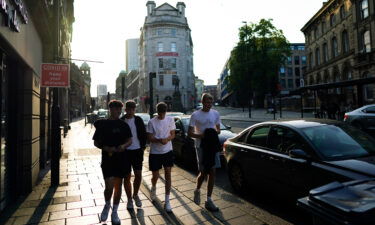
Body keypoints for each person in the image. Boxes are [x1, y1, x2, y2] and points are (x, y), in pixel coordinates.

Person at [93, 100, 132, 224]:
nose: (118, 112)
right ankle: (107, 204)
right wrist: (105, 148)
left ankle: (115, 212)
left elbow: (130, 140)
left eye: (120, 110)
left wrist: (123, 146)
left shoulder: (124, 125)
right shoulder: (103, 124)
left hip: (121, 159)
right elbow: (96, 142)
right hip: (107, 159)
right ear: (110, 109)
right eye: (116, 109)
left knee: (118, 186)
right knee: (109, 187)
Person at [188, 93, 221, 211]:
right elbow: (190, 133)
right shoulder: (195, 115)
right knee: (203, 172)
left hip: (212, 146)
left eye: (211, 102)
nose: (209, 105)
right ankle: (197, 190)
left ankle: (209, 199)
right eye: (207, 102)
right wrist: (202, 135)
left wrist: (213, 133)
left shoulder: (216, 113)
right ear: (202, 102)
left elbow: (218, 130)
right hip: (201, 146)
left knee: (212, 171)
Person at [147, 102, 176, 212]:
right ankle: (153, 187)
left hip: (167, 151)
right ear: (157, 111)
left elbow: (173, 134)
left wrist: (167, 139)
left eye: (163, 113)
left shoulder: (170, 120)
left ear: (166, 111)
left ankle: (167, 200)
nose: (162, 115)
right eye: (160, 113)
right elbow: (149, 137)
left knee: (168, 173)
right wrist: (159, 140)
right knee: (156, 175)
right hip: (155, 152)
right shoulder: (151, 122)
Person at [120, 100, 147, 209]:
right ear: (125, 109)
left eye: (133, 109)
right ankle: (129, 199)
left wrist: (142, 148)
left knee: (138, 175)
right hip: (125, 152)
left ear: (134, 109)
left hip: (137, 151)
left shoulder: (138, 120)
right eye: (129, 109)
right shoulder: (121, 121)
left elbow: (143, 135)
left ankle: (135, 194)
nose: (131, 111)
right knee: (126, 177)